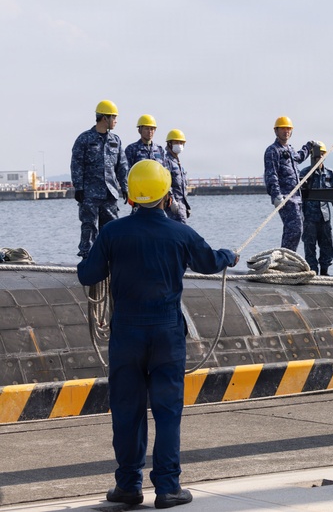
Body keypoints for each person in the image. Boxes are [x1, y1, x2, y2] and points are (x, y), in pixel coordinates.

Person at [77, 159, 238, 509]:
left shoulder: (112, 233)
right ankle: (168, 488)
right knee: (167, 412)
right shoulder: (180, 233)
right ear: (167, 196)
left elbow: (87, 276)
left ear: (131, 198)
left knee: (126, 410)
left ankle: (128, 486)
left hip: (126, 334)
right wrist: (230, 255)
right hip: (166, 333)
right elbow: (210, 262)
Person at [71, 99, 129, 258]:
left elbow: (122, 166)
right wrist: (79, 188)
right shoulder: (85, 139)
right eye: (114, 117)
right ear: (105, 118)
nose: (116, 121)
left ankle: (110, 260)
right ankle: (87, 261)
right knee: (89, 228)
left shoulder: (115, 140)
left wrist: (125, 188)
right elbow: (76, 164)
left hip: (110, 195)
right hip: (90, 195)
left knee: (111, 229)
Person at [264, 116, 314, 251]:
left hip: (297, 197)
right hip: (285, 197)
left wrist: (308, 147)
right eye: (283, 129)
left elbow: (298, 157)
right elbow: (271, 173)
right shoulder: (273, 150)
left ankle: (287, 258)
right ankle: (285, 259)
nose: (286, 131)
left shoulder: (290, 150)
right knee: (294, 228)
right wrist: (276, 195)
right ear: (276, 131)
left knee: (296, 229)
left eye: (288, 129)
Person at [300, 141, 333, 275]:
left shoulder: (329, 174)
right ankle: (313, 271)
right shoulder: (305, 173)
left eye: (322, 155)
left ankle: (325, 271)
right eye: (317, 155)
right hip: (309, 217)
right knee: (309, 245)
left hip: (324, 216)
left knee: (327, 245)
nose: (319, 158)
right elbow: (299, 195)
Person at [164, 129, 191, 223]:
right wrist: (172, 200)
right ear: (169, 144)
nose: (179, 145)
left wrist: (186, 205)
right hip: (174, 204)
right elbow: (166, 182)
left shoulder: (177, 162)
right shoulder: (167, 161)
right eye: (176, 142)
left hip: (182, 204)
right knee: (180, 230)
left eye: (181, 142)